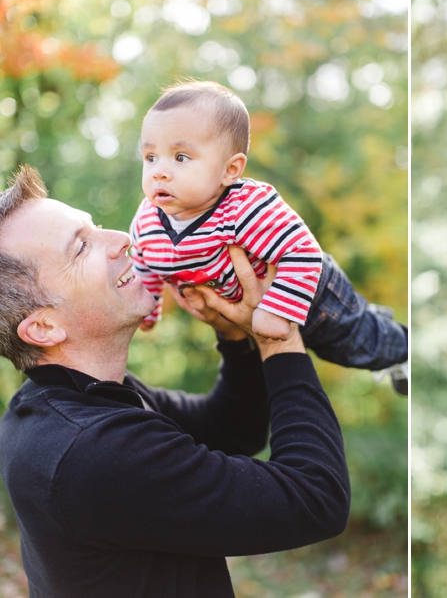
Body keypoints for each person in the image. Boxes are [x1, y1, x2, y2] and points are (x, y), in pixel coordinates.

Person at [0, 165, 351, 598]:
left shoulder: (75, 400)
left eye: (97, 227)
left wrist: (234, 332)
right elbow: (318, 499)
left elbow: (229, 430)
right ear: (44, 328)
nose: (123, 239)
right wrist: (279, 335)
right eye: (81, 248)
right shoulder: (92, 449)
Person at [131, 80, 407, 393]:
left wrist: (276, 309)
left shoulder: (245, 206)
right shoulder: (147, 221)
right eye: (150, 157)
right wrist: (146, 308)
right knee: (337, 350)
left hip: (310, 291)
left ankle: (405, 351)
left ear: (230, 170)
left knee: (353, 343)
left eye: (180, 157)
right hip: (253, 314)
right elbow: (144, 267)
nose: (158, 171)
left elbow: (304, 253)